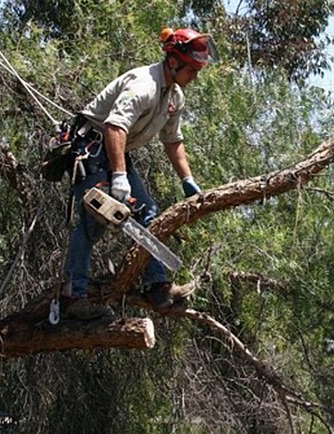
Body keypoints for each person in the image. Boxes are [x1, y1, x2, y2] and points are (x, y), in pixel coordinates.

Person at [62, 27, 218, 320]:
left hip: (114, 149)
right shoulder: (143, 85)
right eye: (192, 69)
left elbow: (173, 140)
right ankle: (72, 297)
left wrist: (188, 180)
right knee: (92, 219)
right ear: (173, 62)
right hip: (92, 147)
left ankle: (157, 285)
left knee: (148, 212)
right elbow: (114, 126)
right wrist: (119, 176)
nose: (195, 76)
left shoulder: (174, 97)